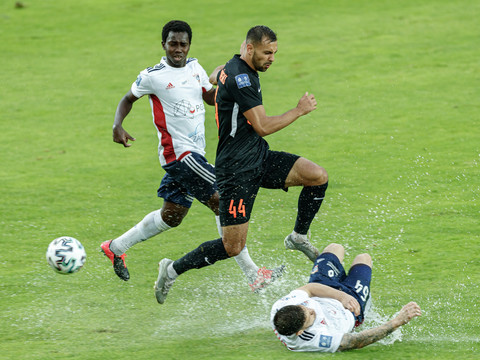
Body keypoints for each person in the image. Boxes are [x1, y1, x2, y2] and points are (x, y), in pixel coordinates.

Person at [100, 20, 284, 292]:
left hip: (195, 153)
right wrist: (117, 125)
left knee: (171, 216)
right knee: (223, 199)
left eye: (182, 44)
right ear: (163, 44)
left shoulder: (195, 68)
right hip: (179, 155)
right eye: (172, 43)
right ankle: (254, 274)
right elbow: (128, 98)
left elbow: (210, 97)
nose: (178, 48)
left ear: (189, 45)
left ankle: (116, 247)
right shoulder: (153, 75)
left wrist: (226, 84)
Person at [154, 25, 329, 304]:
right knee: (232, 246)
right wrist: (299, 110)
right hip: (236, 171)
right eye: (266, 52)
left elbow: (214, 74)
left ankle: (298, 236)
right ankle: (172, 269)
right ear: (249, 49)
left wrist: (218, 81)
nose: (271, 58)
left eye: (274, 53)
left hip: (258, 156)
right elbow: (261, 125)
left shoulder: (232, 67)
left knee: (317, 175)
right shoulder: (242, 80)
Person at [271, 243, 422, 352]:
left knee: (335, 248)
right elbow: (356, 342)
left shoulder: (281, 308)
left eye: (305, 307)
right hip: (350, 308)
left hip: (326, 291)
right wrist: (397, 322)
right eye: (310, 316)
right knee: (364, 258)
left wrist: (340, 295)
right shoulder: (314, 340)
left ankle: (335, 274)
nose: (312, 310)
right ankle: (363, 302)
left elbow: (309, 288)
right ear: (300, 332)